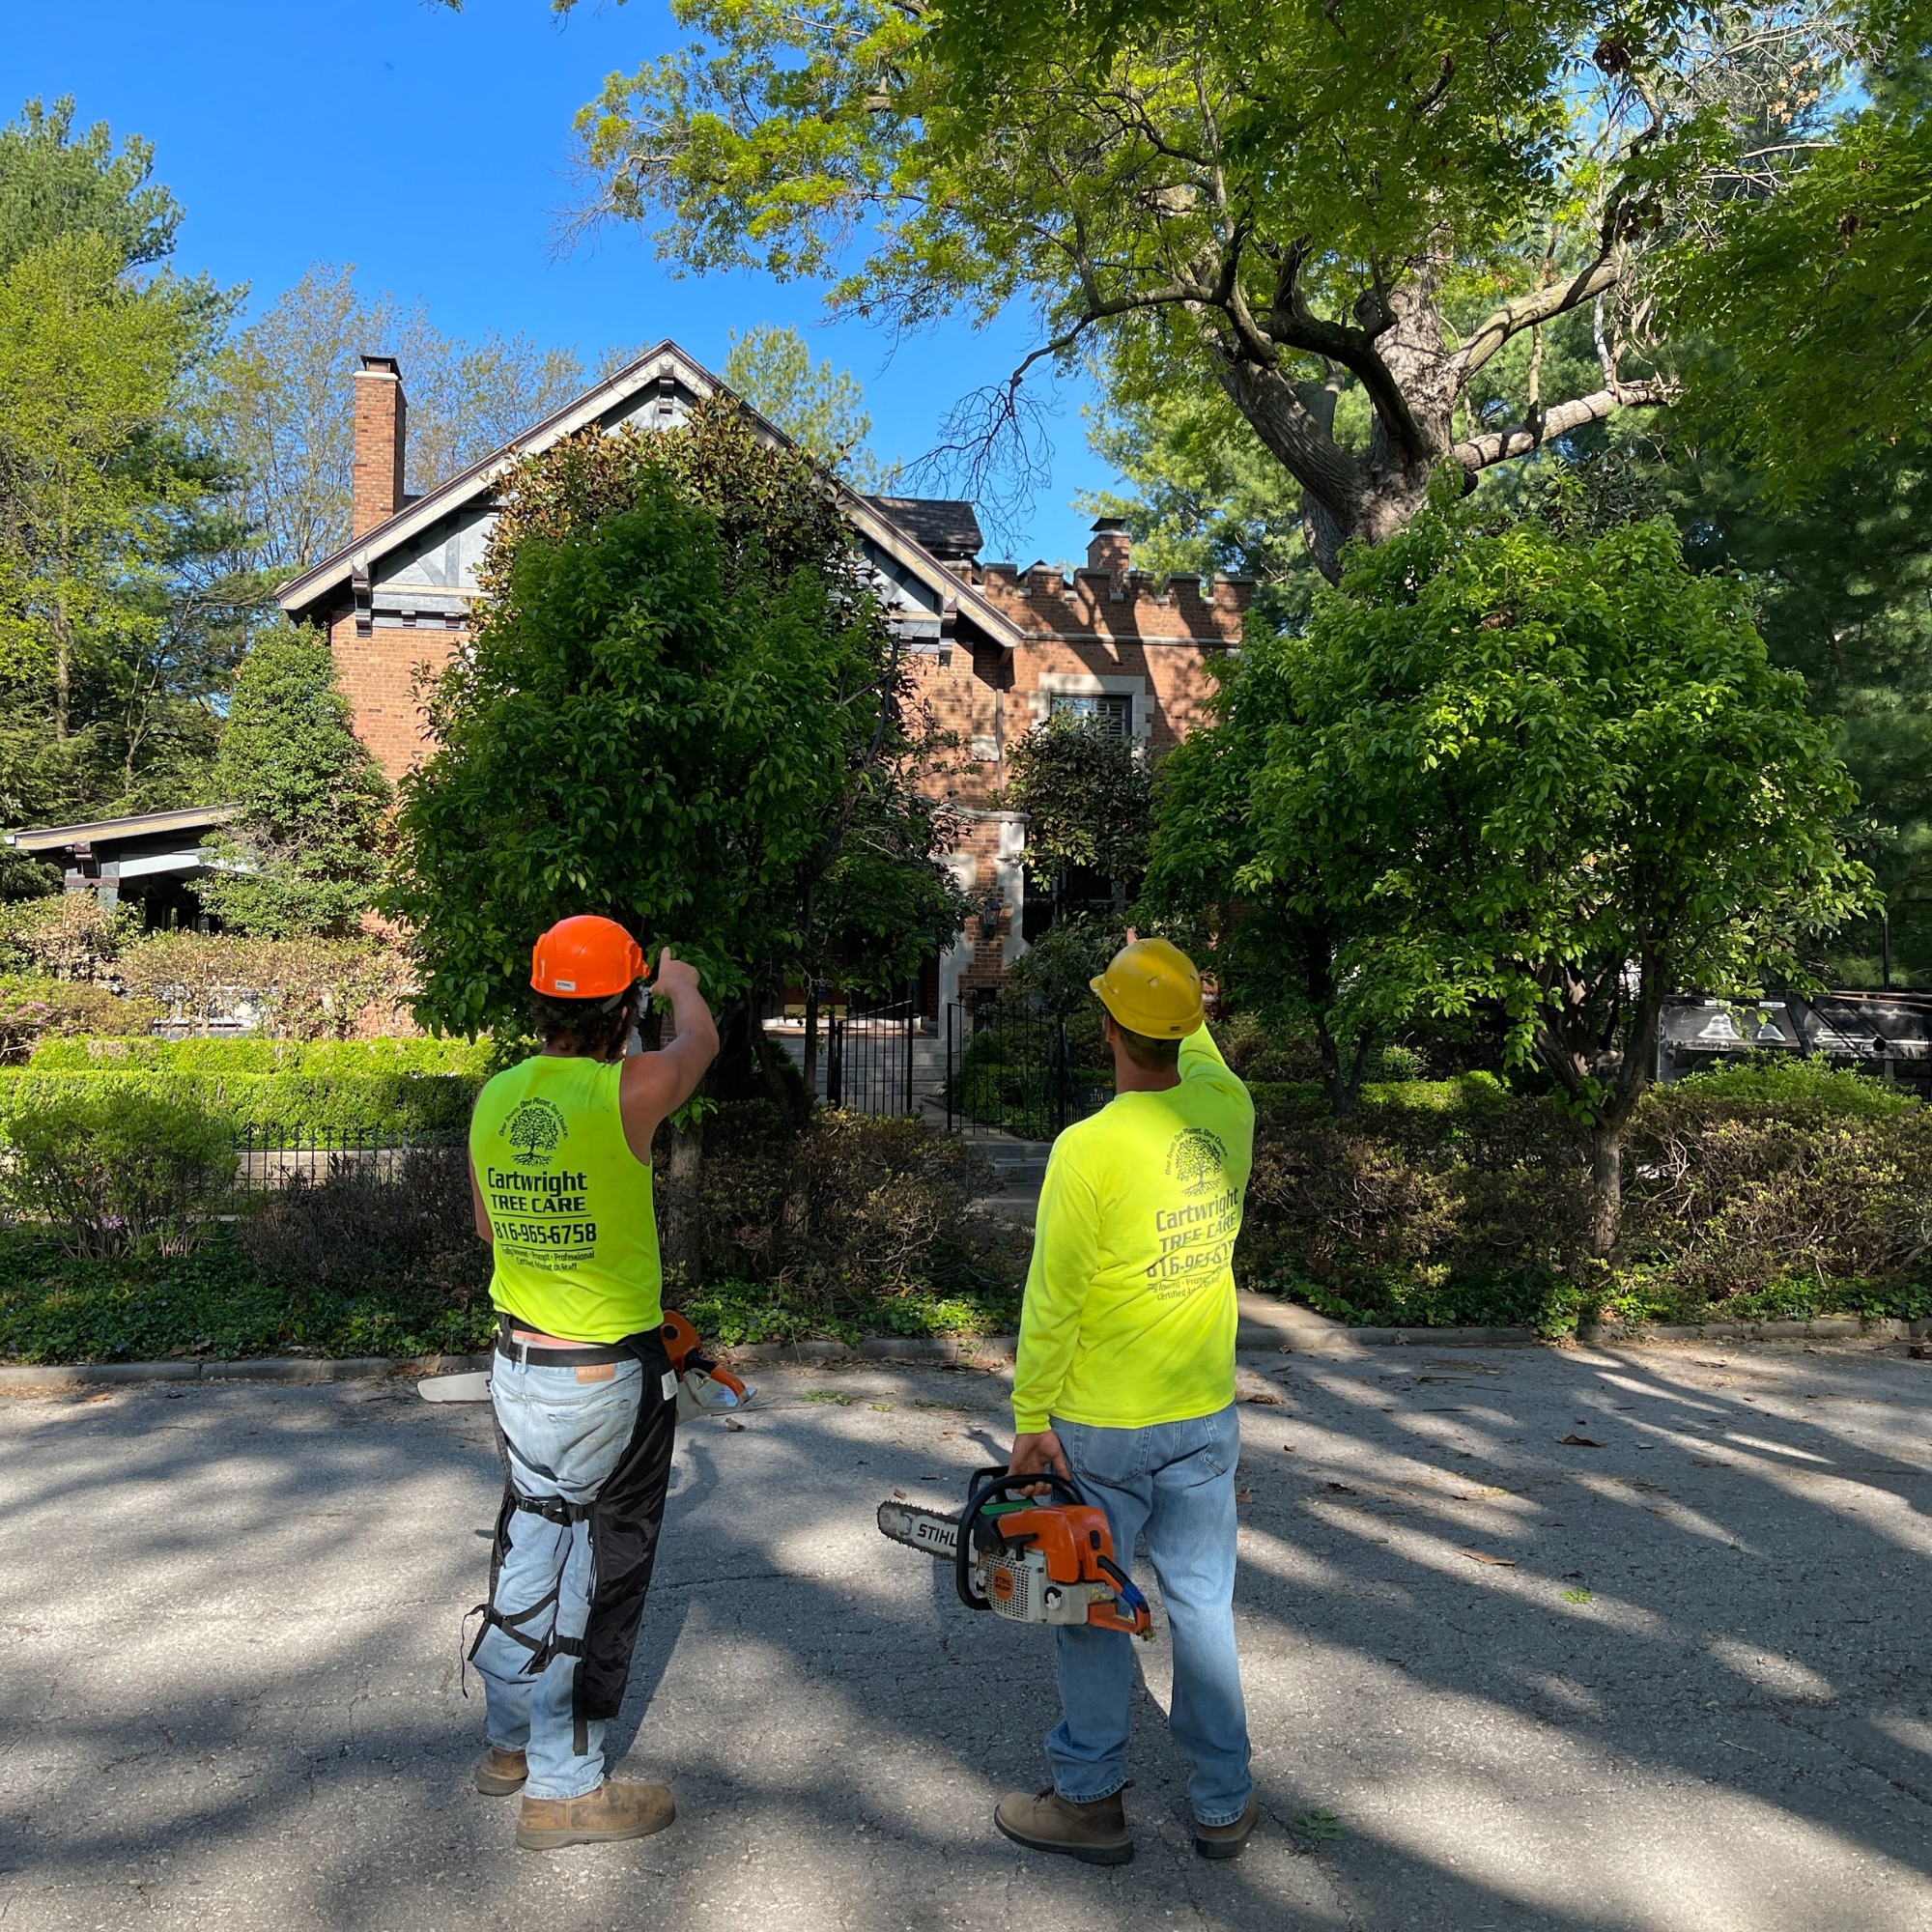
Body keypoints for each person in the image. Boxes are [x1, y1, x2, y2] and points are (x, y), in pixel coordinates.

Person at [995, 936, 1258, 1867]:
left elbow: (1053, 1297)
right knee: (1203, 1603)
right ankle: (1223, 1802)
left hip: (1099, 1427)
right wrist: (1178, 991)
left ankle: (1089, 1798)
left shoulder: (1088, 1150)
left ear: (1106, 1027)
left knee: (1089, 1604)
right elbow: (1198, 1046)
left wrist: (1030, 1420)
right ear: (1192, 1026)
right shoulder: (1229, 1107)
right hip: (1203, 1412)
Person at [465, 915, 718, 1852]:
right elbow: (700, 1045)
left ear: (540, 1002)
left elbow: (492, 1234)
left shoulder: (496, 1097)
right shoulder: (633, 1087)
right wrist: (678, 986)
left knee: (530, 1538)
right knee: (598, 1566)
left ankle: (505, 1743)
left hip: (517, 1366)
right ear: (623, 1008)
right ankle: (564, 1783)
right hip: (606, 1376)